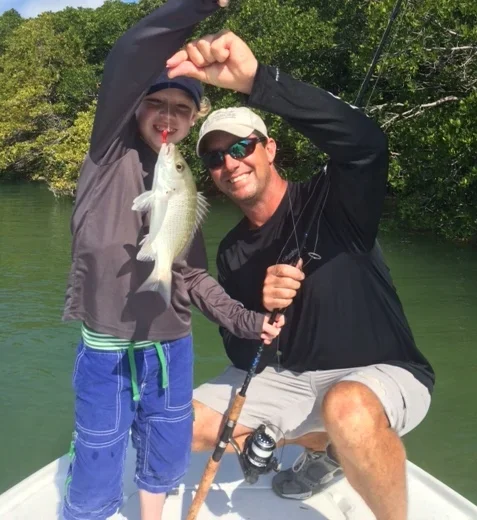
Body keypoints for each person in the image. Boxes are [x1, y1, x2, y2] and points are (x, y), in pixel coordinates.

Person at [166, 30, 435, 520]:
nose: (230, 162)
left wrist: (257, 81)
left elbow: (366, 144)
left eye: (242, 146)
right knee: (176, 428)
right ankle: (320, 448)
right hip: (286, 380)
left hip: (378, 372)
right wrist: (262, 313)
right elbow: (244, 354)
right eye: (214, 157)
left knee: (347, 408)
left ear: (269, 148)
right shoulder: (231, 252)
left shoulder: (336, 201)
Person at [61, 2, 283, 520]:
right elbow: (129, 55)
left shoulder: (182, 186)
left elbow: (192, 276)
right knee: (97, 449)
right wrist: (204, 6)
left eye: (182, 109)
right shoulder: (105, 157)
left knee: (165, 447)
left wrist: (247, 322)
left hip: (171, 346)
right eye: (155, 102)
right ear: (133, 107)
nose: (167, 115)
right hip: (106, 348)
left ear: (194, 120)